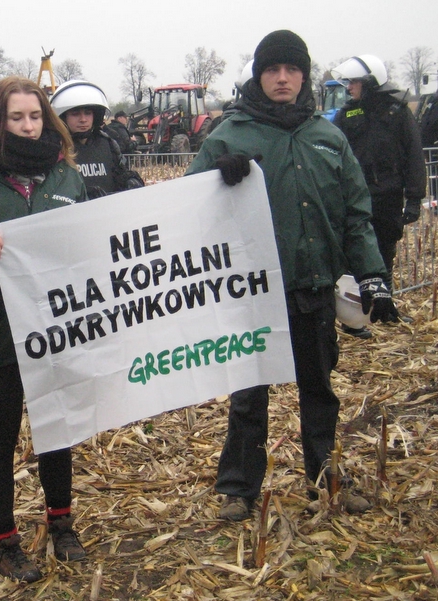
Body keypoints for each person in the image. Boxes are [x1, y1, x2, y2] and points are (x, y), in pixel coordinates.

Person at [186, 30, 396, 521]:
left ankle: (325, 481)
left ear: (304, 76)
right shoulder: (230, 135)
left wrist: (372, 275)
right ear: (259, 77)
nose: (283, 79)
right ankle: (238, 489)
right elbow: (188, 209)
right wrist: (218, 178)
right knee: (249, 394)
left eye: (292, 70)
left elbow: (354, 215)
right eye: (272, 70)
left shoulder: (328, 137)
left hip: (314, 286)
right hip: (253, 294)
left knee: (319, 389)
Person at [0, 76, 88, 583]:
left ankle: (61, 523)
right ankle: (5, 542)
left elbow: (90, 242)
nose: (28, 127)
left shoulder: (67, 177)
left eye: (35, 116)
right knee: (1, 438)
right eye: (16, 117)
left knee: (57, 432)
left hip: (56, 330)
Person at [331, 55, 426, 336]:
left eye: (355, 82)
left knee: (385, 253)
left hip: (388, 197)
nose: (349, 88)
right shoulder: (346, 114)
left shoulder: (397, 112)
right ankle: (354, 319)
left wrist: (414, 198)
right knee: (353, 256)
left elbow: (413, 155)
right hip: (355, 198)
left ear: (371, 83)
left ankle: (385, 309)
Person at [50, 80, 143, 198]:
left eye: (87, 113)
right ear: (63, 117)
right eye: (75, 114)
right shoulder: (55, 148)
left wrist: (130, 180)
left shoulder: (108, 144)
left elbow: (119, 173)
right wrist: (82, 195)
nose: (83, 119)